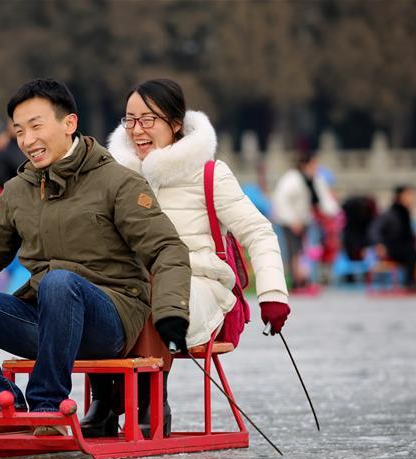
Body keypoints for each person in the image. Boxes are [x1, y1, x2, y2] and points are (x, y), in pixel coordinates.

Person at [0, 79, 192, 437]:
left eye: (36, 126)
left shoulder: (117, 182)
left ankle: (47, 407)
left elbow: (166, 248)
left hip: (108, 319)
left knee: (60, 281)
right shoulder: (17, 191)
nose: (27, 140)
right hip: (45, 316)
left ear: (69, 123)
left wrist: (171, 311)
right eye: (19, 131)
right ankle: (0, 406)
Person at [85, 78, 291, 438]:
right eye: (130, 120)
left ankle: (152, 398)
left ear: (175, 123)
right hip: (131, 286)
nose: (138, 130)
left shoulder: (209, 174)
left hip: (198, 287)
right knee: (91, 285)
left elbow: (258, 232)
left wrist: (273, 295)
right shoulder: (113, 177)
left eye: (148, 120)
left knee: (153, 282)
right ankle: (104, 400)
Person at [271, 152, 340, 289]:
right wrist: (292, 220)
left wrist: (335, 213)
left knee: (308, 251)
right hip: (289, 222)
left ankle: (306, 280)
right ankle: (295, 282)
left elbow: (325, 200)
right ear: (304, 165)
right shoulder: (291, 179)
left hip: (307, 220)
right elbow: (281, 201)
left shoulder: (316, 179)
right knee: (293, 251)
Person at [373, 185, 416, 289]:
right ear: (400, 196)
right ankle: (410, 282)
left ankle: (414, 280)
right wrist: (379, 244)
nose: (411, 198)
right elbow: (375, 230)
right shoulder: (391, 214)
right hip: (393, 249)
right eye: (408, 194)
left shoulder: (405, 213)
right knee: (413, 252)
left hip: (406, 248)